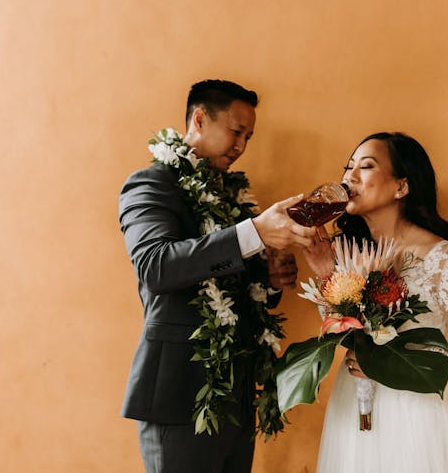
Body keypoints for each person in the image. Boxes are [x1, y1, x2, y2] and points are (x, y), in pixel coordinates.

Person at [118, 79, 316, 473]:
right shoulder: (151, 184)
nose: (241, 145)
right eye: (236, 130)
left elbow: (232, 286)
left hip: (235, 398)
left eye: (249, 136)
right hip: (180, 396)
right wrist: (254, 233)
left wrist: (270, 281)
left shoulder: (232, 199)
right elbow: (156, 266)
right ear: (199, 118)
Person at [303, 132, 448, 473]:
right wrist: (324, 273)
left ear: (401, 187)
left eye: (366, 166)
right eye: (348, 168)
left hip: (417, 407)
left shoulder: (442, 257)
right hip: (354, 403)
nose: (350, 177)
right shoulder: (347, 253)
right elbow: (338, 324)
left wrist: (395, 366)